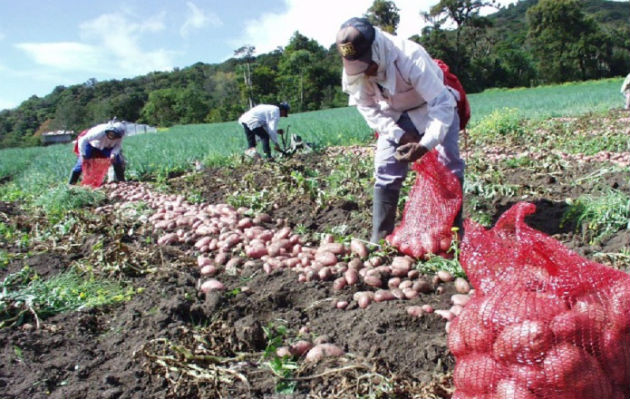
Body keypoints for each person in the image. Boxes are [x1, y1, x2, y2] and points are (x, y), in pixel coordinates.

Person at [336, 17, 465, 243]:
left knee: (448, 163)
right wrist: (399, 134)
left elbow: (442, 104)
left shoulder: (411, 57)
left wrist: (426, 144)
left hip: (434, 107)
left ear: (377, 49)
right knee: (386, 167)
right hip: (394, 114)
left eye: (367, 64)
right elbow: (367, 108)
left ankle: (454, 233)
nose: (365, 72)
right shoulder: (355, 72)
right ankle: (380, 237)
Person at [68, 120, 126, 185]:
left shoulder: (120, 136)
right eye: (110, 134)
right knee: (81, 164)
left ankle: (121, 181)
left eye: (114, 135)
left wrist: (113, 154)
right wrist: (83, 154)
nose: (111, 136)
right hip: (91, 145)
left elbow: (117, 146)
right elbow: (83, 140)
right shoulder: (100, 131)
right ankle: (71, 184)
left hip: (107, 147)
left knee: (117, 161)